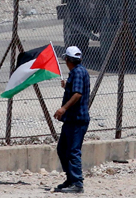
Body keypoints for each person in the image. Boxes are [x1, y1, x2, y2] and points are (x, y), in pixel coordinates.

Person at [53, 46, 90, 193]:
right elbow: (75, 90)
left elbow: (77, 94)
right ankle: (71, 179)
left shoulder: (78, 73)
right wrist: (67, 86)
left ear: (67, 60)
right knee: (62, 149)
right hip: (71, 120)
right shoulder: (77, 72)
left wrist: (63, 109)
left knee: (73, 151)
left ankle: (77, 183)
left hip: (77, 119)